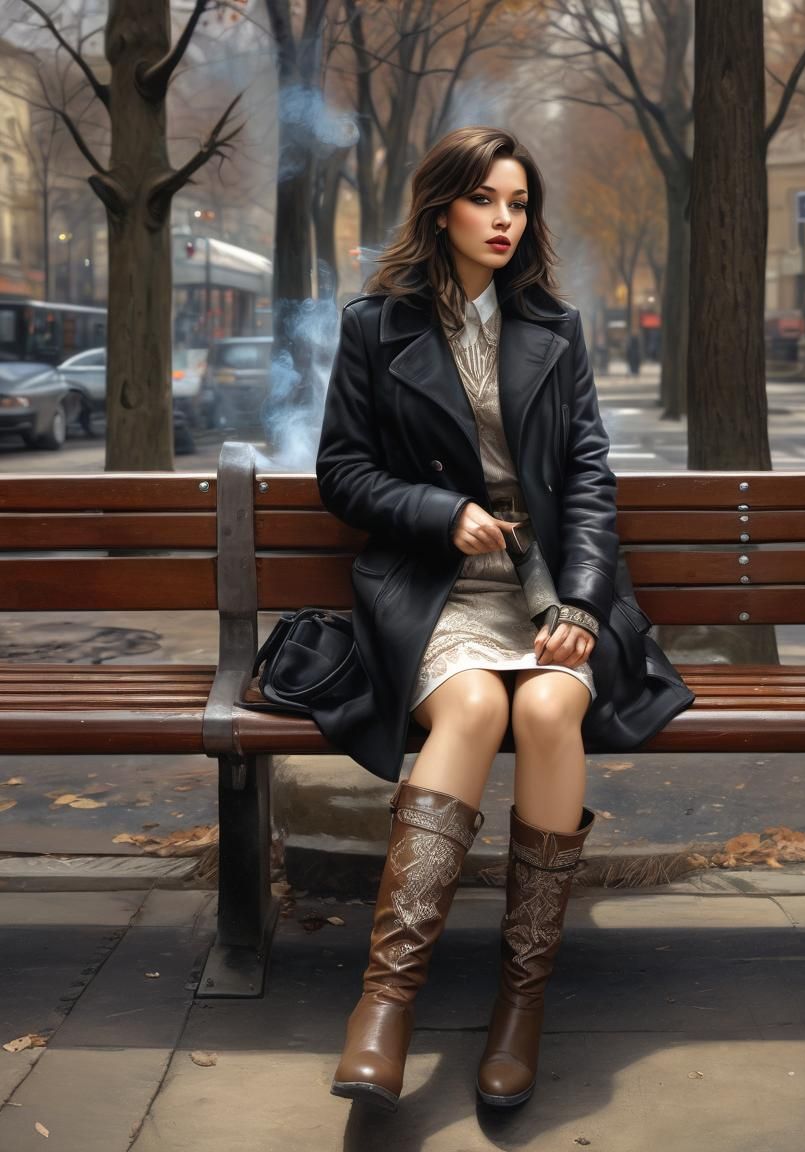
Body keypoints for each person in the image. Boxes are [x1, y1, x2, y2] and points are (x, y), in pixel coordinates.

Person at [315, 126, 694, 1113]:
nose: (502, 220)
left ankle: (518, 1007)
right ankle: (385, 1006)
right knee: (475, 709)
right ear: (441, 207)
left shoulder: (551, 330)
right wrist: (442, 514)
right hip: (437, 587)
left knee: (543, 713)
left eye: (517, 203)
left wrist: (577, 599)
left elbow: (588, 484)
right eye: (484, 199)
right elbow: (342, 473)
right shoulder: (374, 327)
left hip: (547, 589)